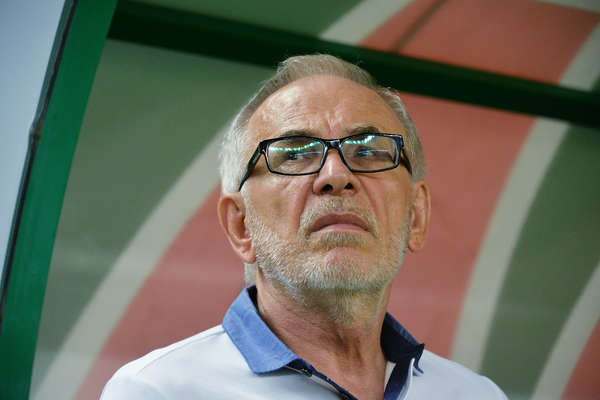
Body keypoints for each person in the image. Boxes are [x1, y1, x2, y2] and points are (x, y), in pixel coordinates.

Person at [100, 54, 507, 399]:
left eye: (367, 151)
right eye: (294, 154)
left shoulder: (478, 395)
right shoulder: (158, 391)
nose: (336, 175)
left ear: (415, 215)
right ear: (241, 225)